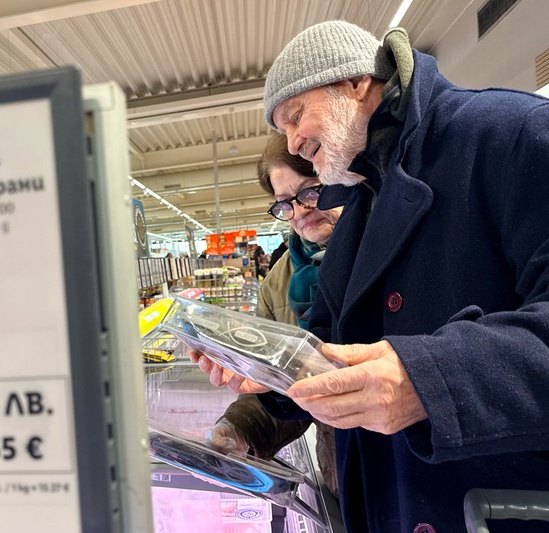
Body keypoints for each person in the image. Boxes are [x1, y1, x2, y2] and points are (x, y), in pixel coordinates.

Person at [194, 20, 549, 533]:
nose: (293, 144)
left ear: (356, 83)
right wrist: (265, 369)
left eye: (296, 116)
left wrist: (427, 380)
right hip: (391, 505)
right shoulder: (362, 202)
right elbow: (326, 345)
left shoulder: (513, 134)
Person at [208, 131, 343, 498]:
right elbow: (281, 386)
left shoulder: (384, 252)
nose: (300, 212)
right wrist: (239, 430)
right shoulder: (279, 282)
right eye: (285, 203)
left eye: (310, 191)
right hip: (341, 474)